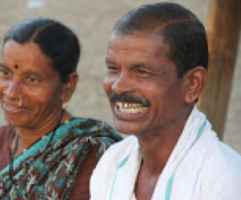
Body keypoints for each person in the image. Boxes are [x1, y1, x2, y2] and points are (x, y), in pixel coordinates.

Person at [90, 2, 241, 200]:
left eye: (142, 72)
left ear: (193, 84)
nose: (118, 86)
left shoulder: (224, 180)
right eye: (113, 69)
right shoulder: (113, 163)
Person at [0, 17, 121, 200]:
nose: (11, 92)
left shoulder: (90, 156)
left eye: (32, 79)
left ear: (68, 86)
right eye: (6, 72)